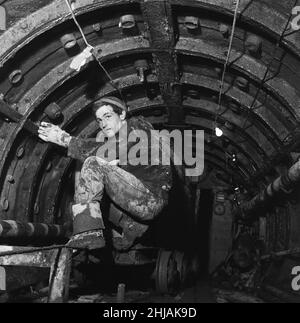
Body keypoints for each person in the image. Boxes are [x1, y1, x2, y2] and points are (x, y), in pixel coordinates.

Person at [38, 96, 172, 250]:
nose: (103, 124)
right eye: (99, 120)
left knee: (94, 164)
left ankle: (88, 232)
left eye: (107, 116)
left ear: (121, 114)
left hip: (151, 198)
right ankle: (129, 230)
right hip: (139, 200)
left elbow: (108, 149)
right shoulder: (124, 144)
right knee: (95, 185)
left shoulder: (137, 127)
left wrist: (66, 139)